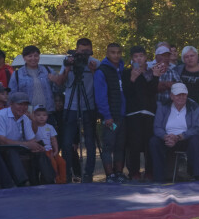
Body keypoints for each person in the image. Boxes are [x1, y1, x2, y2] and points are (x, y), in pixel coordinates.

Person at [58, 38, 101, 183]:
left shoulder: (95, 63)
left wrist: (94, 71)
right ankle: (66, 174)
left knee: (90, 141)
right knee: (67, 142)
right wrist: (67, 68)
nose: (84, 55)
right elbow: (61, 82)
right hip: (71, 106)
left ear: (92, 50)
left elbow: (100, 85)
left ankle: (88, 174)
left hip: (89, 106)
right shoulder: (68, 61)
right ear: (76, 50)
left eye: (87, 51)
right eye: (82, 51)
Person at [0, 91, 55, 185]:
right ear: (11, 104)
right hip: (1, 148)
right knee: (12, 152)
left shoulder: (25, 118)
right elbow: (2, 141)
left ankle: (50, 181)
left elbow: (31, 140)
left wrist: (36, 146)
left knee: (39, 150)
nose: (23, 107)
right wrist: (27, 144)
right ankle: (23, 183)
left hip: (19, 146)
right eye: (20, 104)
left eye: (25, 105)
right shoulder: (0, 115)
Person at [149, 82, 199, 180]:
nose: (181, 97)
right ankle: (159, 176)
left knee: (195, 140)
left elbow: (198, 128)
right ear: (172, 96)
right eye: (178, 95)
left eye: (184, 95)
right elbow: (157, 127)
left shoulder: (194, 106)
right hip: (167, 139)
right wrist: (166, 137)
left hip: (185, 139)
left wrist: (179, 137)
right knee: (154, 141)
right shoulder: (163, 106)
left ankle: (196, 174)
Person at [124, 46, 161, 181]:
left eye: (141, 56)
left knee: (149, 144)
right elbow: (127, 93)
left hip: (149, 113)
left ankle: (149, 172)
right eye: (135, 56)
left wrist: (155, 77)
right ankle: (134, 172)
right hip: (133, 113)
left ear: (146, 58)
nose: (138, 59)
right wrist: (132, 79)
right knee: (134, 144)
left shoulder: (150, 73)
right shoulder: (126, 73)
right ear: (132, 59)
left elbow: (152, 92)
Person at [93, 43, 127, 183]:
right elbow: (100, 96)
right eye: (113, 52)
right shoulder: (102, 71)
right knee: (108, 146)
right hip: (110, 117)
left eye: (118, 52)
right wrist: (106, 116)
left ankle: (119, 172)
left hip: (122, 115)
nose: (116, 55)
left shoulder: (122, 69)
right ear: (107, 53)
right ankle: (109, 174)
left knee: (120, 146)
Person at [10, 45, 63, 111]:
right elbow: (12, 95)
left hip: (47, 112)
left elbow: (59, 90)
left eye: (36, 56)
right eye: (30, 56)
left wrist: (56, 81)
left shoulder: (48, 70)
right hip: (26, 112)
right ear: (24, 58)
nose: (33, 58)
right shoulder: (17, 74)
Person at [31, 105, 64, 183]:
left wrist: (56, 150)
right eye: (38, 115)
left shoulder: (50, 127)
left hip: (50, 150)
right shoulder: (32, 127)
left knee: (62, 162)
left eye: (44, 115)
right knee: (53, 163)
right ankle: (54, 180)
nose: (41, 117)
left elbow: (53, 140)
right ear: (34, 116)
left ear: (47, 116)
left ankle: (63, 180)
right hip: (41, 151)